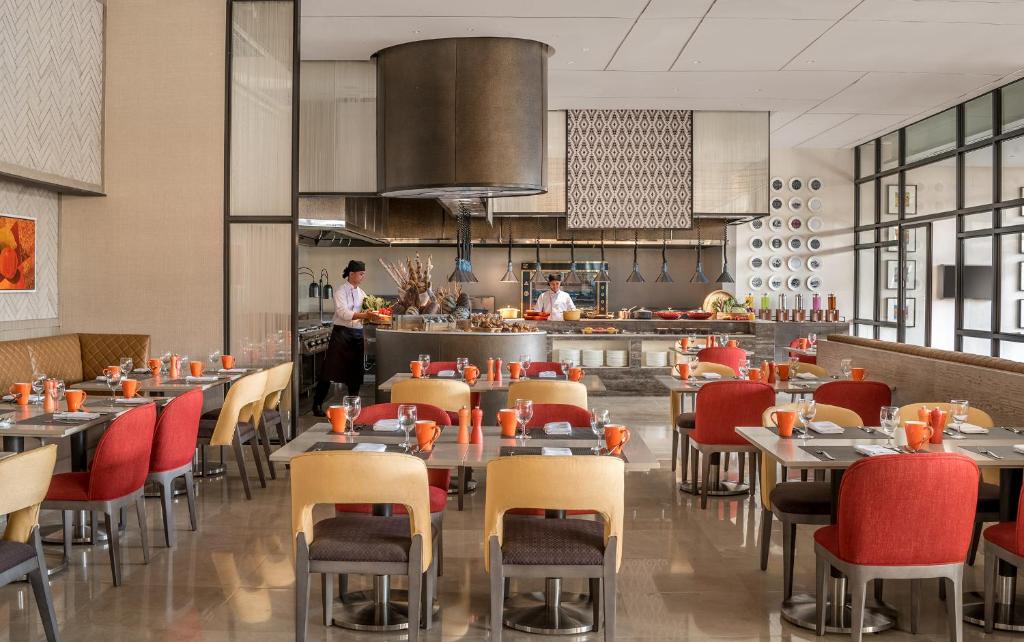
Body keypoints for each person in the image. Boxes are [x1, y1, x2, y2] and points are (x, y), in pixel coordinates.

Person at [313, 260, 376, 416]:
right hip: (341, 334)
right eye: (361, 274)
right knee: (328, 371)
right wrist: (364, 315)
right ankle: (317, 405)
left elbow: (367, 312)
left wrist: (374, 316)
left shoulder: (362, 293)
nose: (363, 277)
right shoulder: (340, 292)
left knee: (355, 374)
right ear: (351, 274)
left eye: (363, 274)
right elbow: (343, 313)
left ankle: (353, 408)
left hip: (357, 335)